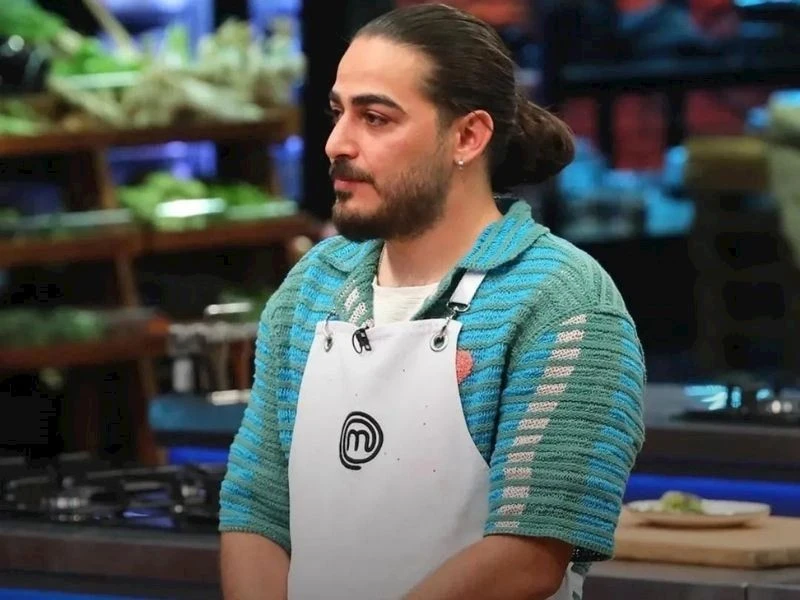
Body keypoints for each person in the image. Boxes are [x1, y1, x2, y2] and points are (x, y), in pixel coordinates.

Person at [219, 4, 646, 600]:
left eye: (375, 118)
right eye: (339, 113)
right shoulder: (312, 286)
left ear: (467, 136)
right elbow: (257, 507)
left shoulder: (563, 303)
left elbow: (529, 554)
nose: (336, 143)